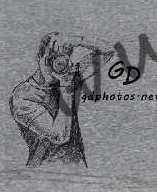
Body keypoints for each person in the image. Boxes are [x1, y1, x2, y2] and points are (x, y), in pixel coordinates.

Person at [8, 32, 112, 166]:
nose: (55, 65)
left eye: (61, 59)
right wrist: (66, 87)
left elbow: (108, 50)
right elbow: (59, 136)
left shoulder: (68, 76)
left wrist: (79, 40)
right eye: (50, 59)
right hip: (44, 170)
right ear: (39, 58)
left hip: (77, 167)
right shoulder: (23, 96)